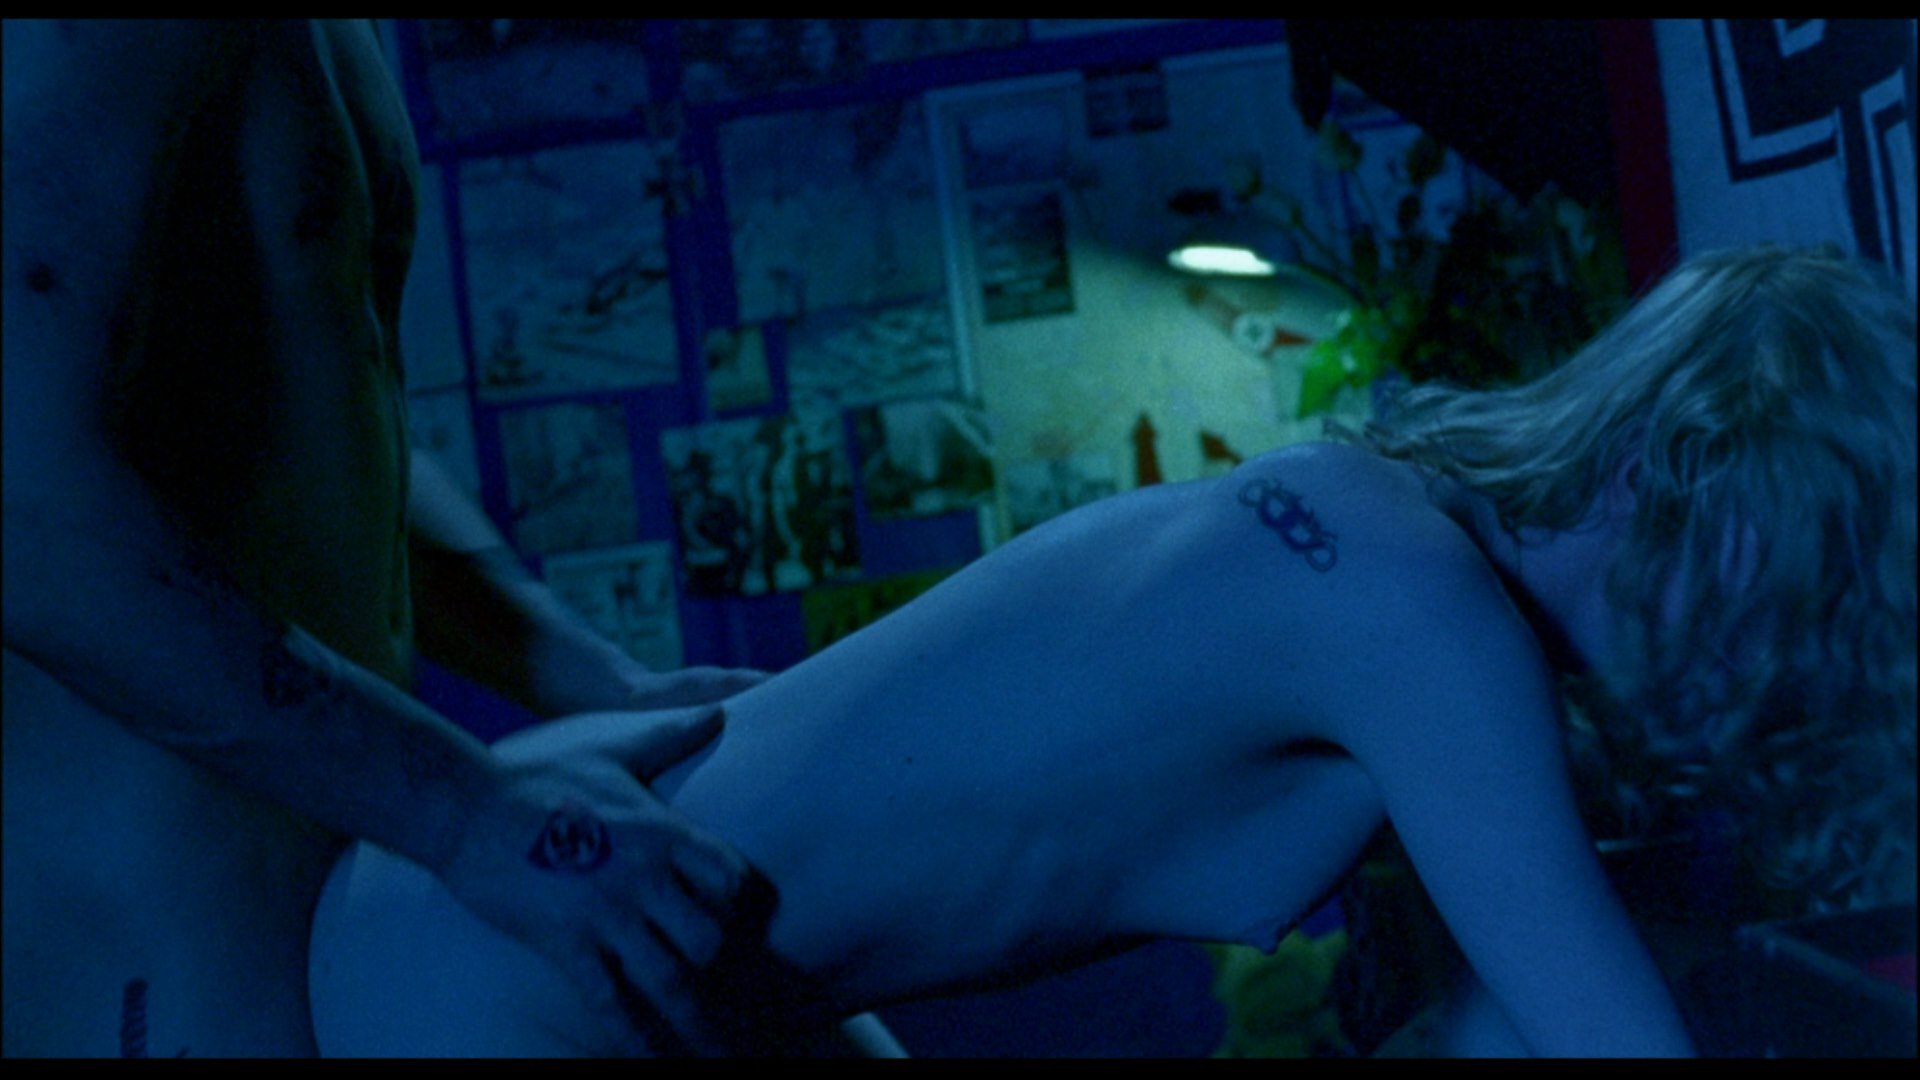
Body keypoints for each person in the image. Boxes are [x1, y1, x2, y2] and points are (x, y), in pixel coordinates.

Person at [312, 247, 1913, 1056]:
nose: (1757, 661)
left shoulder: (1377, 537)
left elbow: (1489, 1018)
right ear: (1671, 472)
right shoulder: (1419, 621)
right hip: (532, 946)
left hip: (604, 926)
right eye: (1772, 593)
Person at [2, 20, 771, 1057]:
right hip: (163, 942)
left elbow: (307, 404)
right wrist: (463, 812)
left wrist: (586, 674)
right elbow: (24, 517)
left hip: (359, 857)